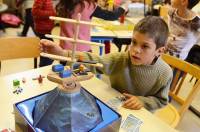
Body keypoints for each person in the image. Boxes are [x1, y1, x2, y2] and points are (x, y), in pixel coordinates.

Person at [40, 16, 173, 112]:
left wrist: (142, 101)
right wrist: (62, 53)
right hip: (116, 108)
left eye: (145, 46)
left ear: (159, 51)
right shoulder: (121, 59)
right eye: (133, 42)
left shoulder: (165, 73)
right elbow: (94, 61)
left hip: (142, 113)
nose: (135, 50)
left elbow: (161, 100)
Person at [56, 0, 130, 52]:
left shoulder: (62, 4)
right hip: (82, 51)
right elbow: (111, 16)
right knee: (84, 73)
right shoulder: (88, 5)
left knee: (66, 72)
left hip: (63, 50)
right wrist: (124, 6)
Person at [32, 0, 56, 67]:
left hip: (47, 29)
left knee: (45, 50)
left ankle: (42, 66)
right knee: (49, 51)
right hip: (42, 29)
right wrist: (51, 13)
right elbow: (35, 12)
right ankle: (42, 67)